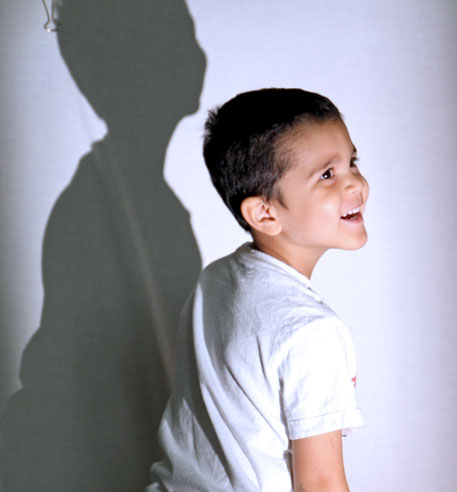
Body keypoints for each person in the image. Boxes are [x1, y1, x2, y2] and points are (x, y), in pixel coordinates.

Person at [147, 88, 369, 492]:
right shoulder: (312, 332)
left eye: (352, 162)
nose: (355, 183)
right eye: (327, 174)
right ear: (264, 213)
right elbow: (320, 483)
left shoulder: (214, 282)